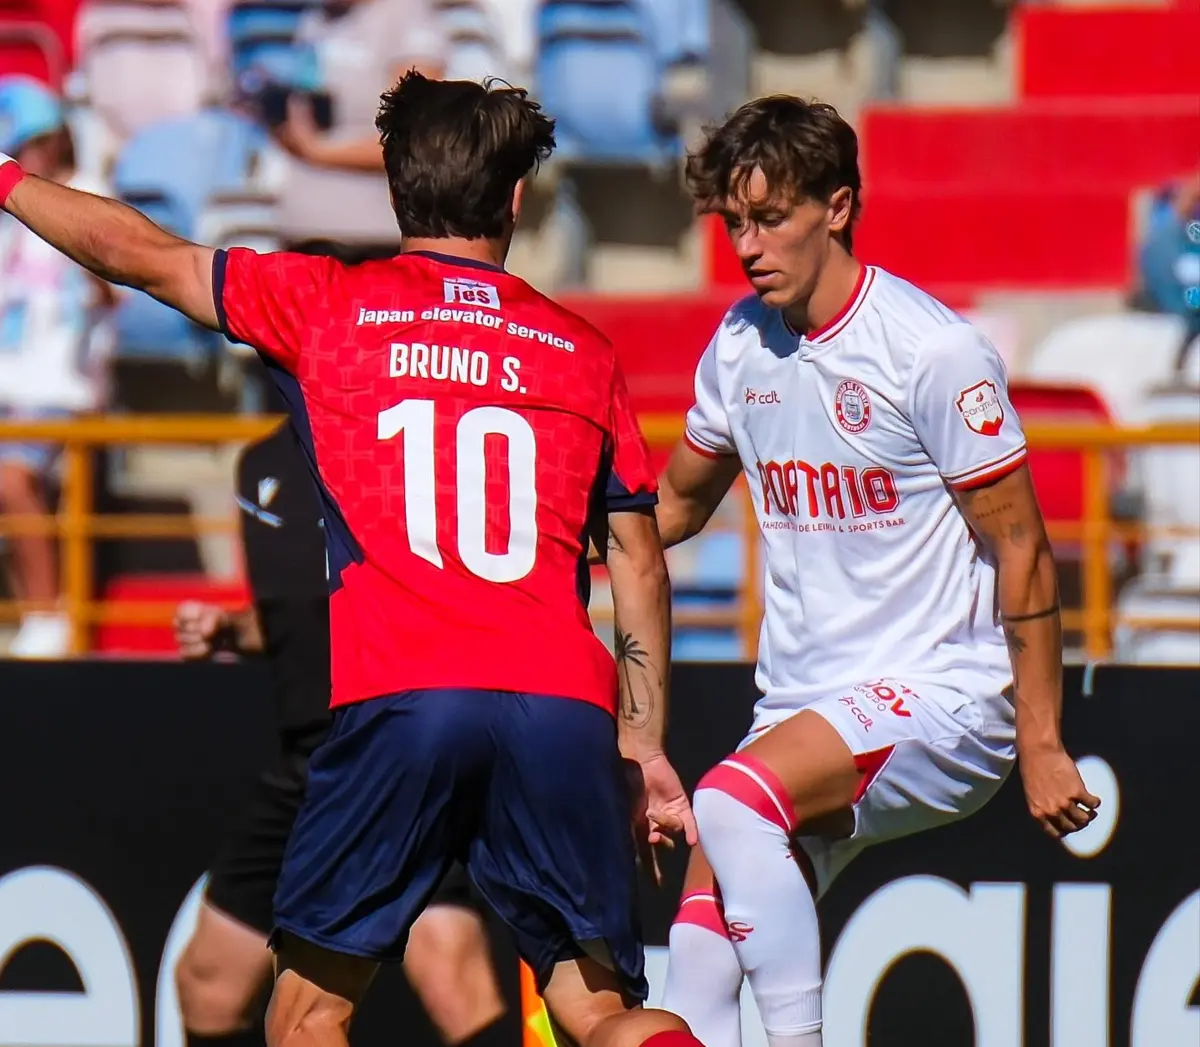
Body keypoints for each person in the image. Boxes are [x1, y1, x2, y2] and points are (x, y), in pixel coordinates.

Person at [0, 72, 703, 1047]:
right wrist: (645, 745)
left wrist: (4, 181)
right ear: (512, 198)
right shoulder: (579, 347)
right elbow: (639, 558)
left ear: (395, 187)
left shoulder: (328, 305)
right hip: (559, 707)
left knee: (305, 1016)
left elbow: (140, 253)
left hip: (403, 697)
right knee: (597, 1012)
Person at [647, 96, 1100, 1047]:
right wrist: (546, 541)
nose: (748, 245)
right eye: (736, 222)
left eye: (770, 218)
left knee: (729, 800)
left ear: (838, 207)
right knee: (700, 933)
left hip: (943, 696)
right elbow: (675, 506)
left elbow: (1020, 542)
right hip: (807, 707)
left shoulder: (930, 350)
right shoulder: (739, 344)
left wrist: (1044, 738)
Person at [172, 414, 506, 1047]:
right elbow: (297, 615)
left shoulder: (397, 441)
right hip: (303, 759)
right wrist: (231, 630)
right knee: (208, 982)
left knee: (448, 966)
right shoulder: (260, 464)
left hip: (394, 743)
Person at [0, 75, 115, 658]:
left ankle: (46, 615)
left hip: (63, 391)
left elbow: (111, 286)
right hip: (11, 388)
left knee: (12, 480)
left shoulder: (88, 193)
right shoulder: (8, 216)